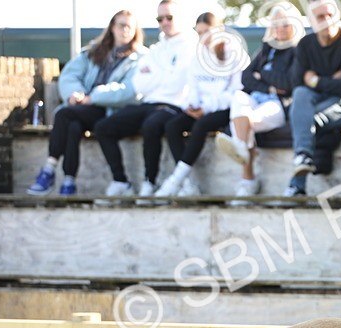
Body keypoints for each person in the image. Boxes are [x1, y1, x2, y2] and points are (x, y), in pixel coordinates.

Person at [26, 10, 143, 196]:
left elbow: (129, 90)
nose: (126, 30)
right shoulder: (93, 52)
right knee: (72, 126)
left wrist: (92, 97)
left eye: (130, 26)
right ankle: (69, 181)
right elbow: (70, 75)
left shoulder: (140, 58)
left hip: (111, 111)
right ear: (112, 27)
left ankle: (49, 168)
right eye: (122, 25)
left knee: (64, 114)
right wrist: (75, 94)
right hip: (83, 107)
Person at [92, 0, 197, 198]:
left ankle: (150, 182)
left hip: (174, 106)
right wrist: (165, 74)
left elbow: (176, 84)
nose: (164, 22)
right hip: (148, 103)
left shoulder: (190, 46)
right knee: (103, 127)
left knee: (152, 125)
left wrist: (155, 75)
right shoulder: (156, 49)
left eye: (169, 17)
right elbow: (139, 84)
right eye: (160, 19)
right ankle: (121, 182)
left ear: (181, 18)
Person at [214, 2, 302, 199]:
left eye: (285, 24)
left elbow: (288, 83)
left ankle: (247, 179)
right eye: (276, 23)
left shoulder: (298, 51)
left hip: (279, 104)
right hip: (255, 99)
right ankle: (243, 155)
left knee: (246, 122)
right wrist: (268, 84)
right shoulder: (266, 48)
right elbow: (246, 78)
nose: (279, 28)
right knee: (239, 99)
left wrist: (262, 77)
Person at [283, 0, 341, 198]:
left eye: (330, 15)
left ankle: (296, 185)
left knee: (305, 121)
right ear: (311, 21)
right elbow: (297, 83)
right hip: (318, 101)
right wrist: (331, 80)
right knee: (300, 95)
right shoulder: (305, 44)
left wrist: (316, 80)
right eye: (320, 16)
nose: (327, 20)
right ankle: (303, 157)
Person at [154, 14, 243, 197]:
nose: (203, 37)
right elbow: (192, 88)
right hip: (201, 109)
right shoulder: (197, 57)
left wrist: (207, 108)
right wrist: (191, 105)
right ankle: (188, 184)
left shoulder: (235, 54)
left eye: (207, 32)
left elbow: (237, 92)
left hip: (225, 109)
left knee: (200, 126)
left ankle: (176, 179)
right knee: (172, 125)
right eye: (199, 32)